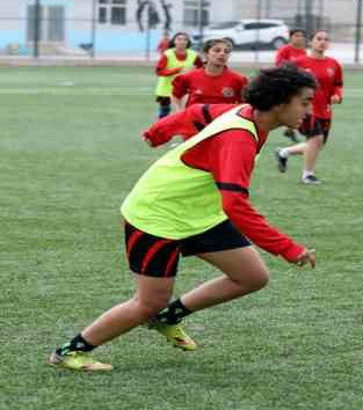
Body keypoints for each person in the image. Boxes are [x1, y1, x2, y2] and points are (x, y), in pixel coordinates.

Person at [48, 65, 318, 372]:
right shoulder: (238, 139)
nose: (309, 110)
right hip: (158, 215)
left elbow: (197, 112)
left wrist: (158, 132)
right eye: (305, 102)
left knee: (252, 277)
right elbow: (235, 205)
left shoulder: (247, 113)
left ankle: (168, 318)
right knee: (148, 302)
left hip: (198, 214)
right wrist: (288, 248)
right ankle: (70, 351)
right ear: (281, 103)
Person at [274, 30, 343, 185]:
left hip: (325, 110)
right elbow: (284, 79)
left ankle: (284, 152)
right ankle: (307, 175)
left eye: (326, 39)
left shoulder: (334, 64)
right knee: (316, 139)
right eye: (319, 38)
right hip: (305, 110)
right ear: (311, 42)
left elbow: (338, 85)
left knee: (316, 145)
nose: (322, 41)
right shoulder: (298, 63)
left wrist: (337, 95)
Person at [171, 38, 248, 112]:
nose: (222, 54)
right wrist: (180, 112)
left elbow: (245, 104)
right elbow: (176, 95)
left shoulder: (238, 79)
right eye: (217, 50)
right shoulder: (189, 77)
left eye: (226, 51)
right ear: (206, 54)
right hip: (195, 123)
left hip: (223, 124)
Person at [154, 32, 203, 119]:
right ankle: (161, 130)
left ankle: (184, 130)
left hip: (185, 89)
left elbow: (202, 68)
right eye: (179, 39)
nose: (182, 41)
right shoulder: (167, 54)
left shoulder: (193, 55)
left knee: (184, 112)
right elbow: (159, 71)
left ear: (188, 42)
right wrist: (177, 70)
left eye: (185, 39)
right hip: (166, 88)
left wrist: (194, 72)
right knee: (164, 113)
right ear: (174, 41)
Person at [274, 29, 308, 143]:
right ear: (291, 37)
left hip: (298, 84)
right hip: (286, 83)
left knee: (298, 107)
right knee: (287, 108)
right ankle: (287, 128)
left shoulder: (303, 52)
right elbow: (279, 65)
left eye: (301, 36)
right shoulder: (285, 50)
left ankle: (290, 130)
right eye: (296, 35)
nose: (299, 38)